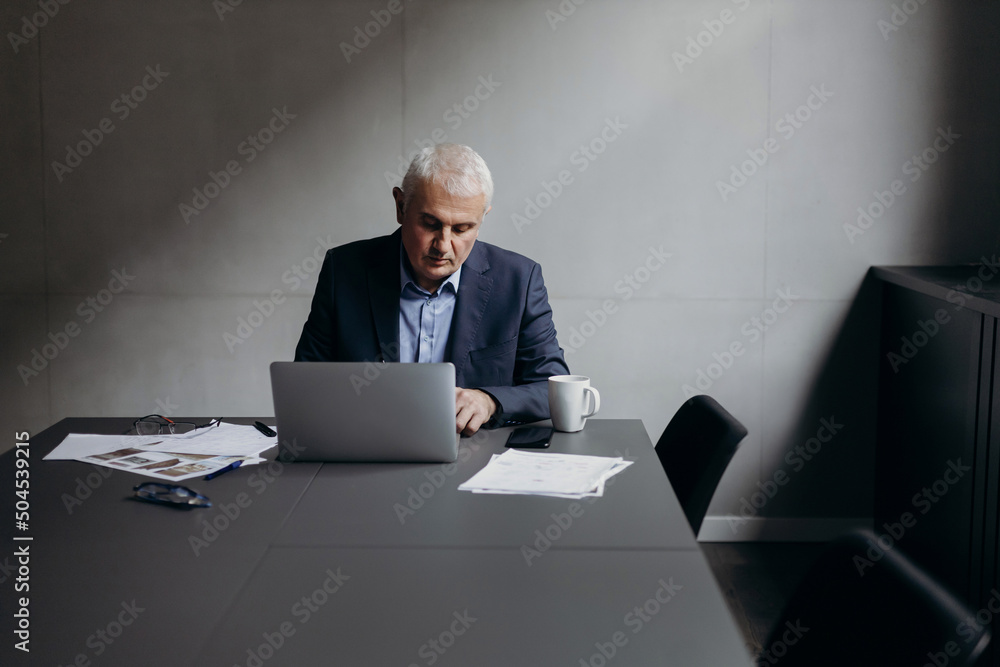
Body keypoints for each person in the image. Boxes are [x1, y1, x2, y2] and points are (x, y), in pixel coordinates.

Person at [294, 143, 569, 435]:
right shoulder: (343, 270)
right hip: (364, 446)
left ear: (482, 218)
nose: (443, 245)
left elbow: (551, 389)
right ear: (400, 206)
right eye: (430, 224)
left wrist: (489, 401)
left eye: (462, 229)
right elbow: (304, 384)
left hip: (472, 453)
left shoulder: (518, 281)